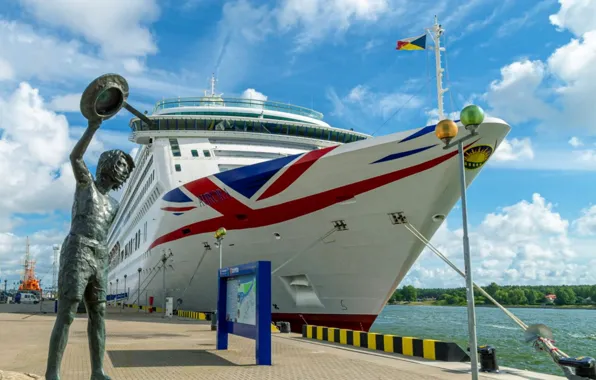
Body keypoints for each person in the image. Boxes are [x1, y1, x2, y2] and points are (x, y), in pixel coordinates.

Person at [45, 117, 135, 380]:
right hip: (78, 248)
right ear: (106, 164)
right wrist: (93, 126)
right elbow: (75, 157)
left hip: (100, 254)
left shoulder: (115, 205)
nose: (122, 171)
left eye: (126, 169)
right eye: (119, 164)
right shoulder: (87, 184)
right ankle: (53, 373)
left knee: (99, 313)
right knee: (68, 310)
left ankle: (97, 370)